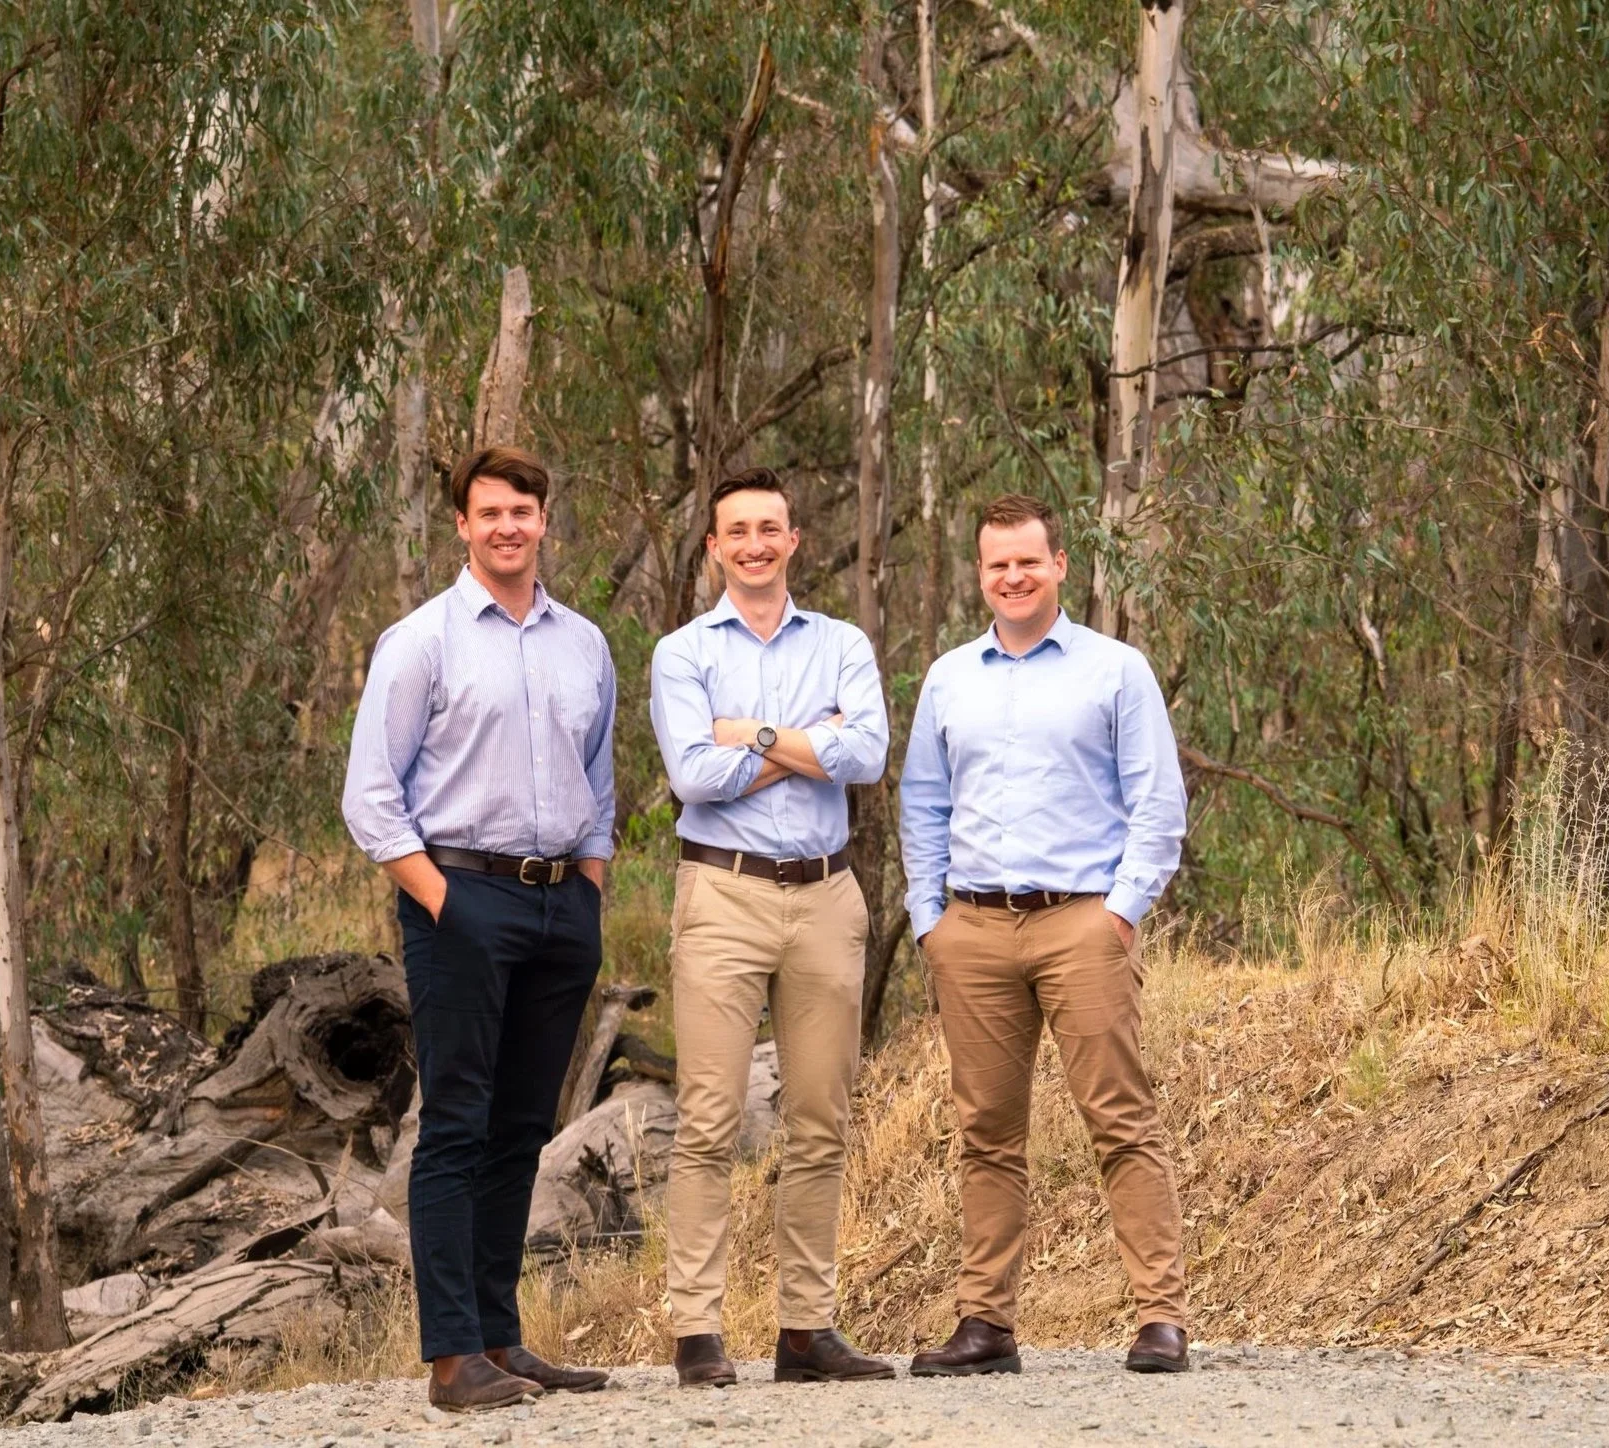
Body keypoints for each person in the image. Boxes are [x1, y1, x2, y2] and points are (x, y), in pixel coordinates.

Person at [341, 446, 617, 1411]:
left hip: (560, 904)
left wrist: (588, 891)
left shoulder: (583, 644)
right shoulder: (420, 641)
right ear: (462, 524)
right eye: (489, 512)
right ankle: (453, 1357)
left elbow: (598, 781)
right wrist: (442, 901)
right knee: (457, 1124)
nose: (508, 526)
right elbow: (370, 796)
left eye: (522, 511)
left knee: (522, 1128)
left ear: (544, 520)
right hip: (459, 896)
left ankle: (502, 1339)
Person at [897, 492, 1193, 1377]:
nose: (1014, 576)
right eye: (998, 564)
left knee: (1120, 1120)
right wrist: (929, 920)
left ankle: (1160, 1318)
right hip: (973, 929)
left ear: (1060, 564)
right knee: (986, 1133)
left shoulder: (1115, 670)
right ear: (979, 574)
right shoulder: (949, 677)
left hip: (1080, 924)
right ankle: (984, 1324)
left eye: (1028, 560)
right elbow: (922, 803)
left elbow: (1157, 803)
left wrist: (1119, 914)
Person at [649, 467, 894, 1387]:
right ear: (715, 547)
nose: (754, 544)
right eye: (737, 531)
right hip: (723, 895)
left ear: (794, 540)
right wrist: (803, 744)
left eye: (770, 529)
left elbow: (865, 754)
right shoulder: (682, 653)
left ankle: (806, 1331)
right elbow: (691, 777)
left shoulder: (840, 642)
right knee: (708, 1120)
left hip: (826, 898)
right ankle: (697, 1332)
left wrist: (748, 733)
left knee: (820, 1120)